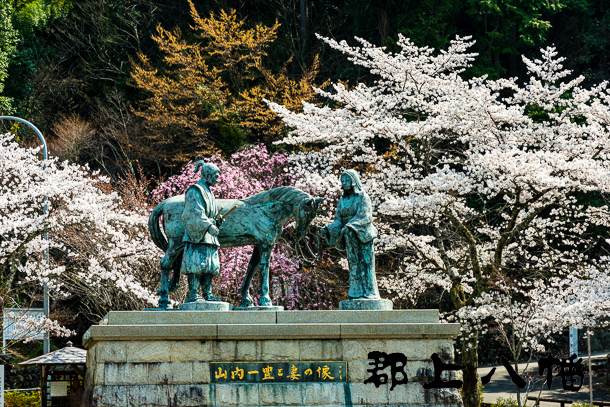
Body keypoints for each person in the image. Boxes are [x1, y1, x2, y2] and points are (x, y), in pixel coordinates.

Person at [321, 169, 380, 299]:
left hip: (362, 234)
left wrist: (350, 226)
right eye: (343, 180)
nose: (344, 183)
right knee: (353, 263)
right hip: (348, 235)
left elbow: (364, 217)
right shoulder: (342, 201)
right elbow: (338, 220)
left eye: (347, 180)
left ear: (354, 181)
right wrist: (328, 228)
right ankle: (355, 292)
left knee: (366, 263)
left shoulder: (363, 197)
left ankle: (370, 292)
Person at [181, 161, 223, 302]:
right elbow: (194, 212)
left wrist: (217, 221)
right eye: (215, 176)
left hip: (208, 235)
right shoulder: (195, 190)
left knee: (209, 265)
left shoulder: (209, 191)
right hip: (197, 233)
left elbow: (211, 213)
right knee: (195, 264)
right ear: (207, 175)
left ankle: (208, 293)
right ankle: (193, 293)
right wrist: (208, 225)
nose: (218, 179)